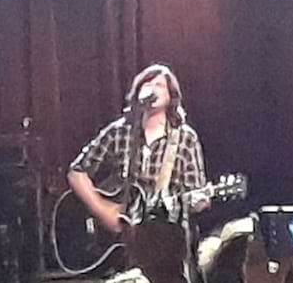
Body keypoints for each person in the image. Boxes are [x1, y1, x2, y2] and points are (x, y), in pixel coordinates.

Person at [67, 64, 210, 256]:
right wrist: (103, 210)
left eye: (159, 85)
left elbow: (197, 195)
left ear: (171, 97)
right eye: (147, 83)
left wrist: (198, 199)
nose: (152, 87)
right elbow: (77, 172)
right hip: (119, 249)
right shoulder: (119, 131)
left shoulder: (185, 138)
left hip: (166, 244)